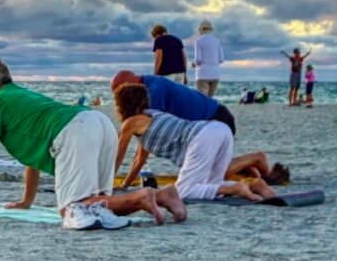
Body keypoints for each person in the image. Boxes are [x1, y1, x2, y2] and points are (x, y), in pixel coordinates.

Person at [0, 60, 187, 229]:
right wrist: (26, 201)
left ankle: (142, 197)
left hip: (76, 130)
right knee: (96, 205)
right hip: (98, 122)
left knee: (72, 209)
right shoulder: (21, 96)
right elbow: (31, 159)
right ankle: (161, 196)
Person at [114, 83, 276, 202]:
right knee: (212, 185)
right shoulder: (152, 116)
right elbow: (139, 160)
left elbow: (118, 156)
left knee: (183, 191)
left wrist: (105, 184)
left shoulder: (131, 123)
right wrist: (125, 185)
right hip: (219, 129)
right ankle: (255, 185)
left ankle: (237, 188)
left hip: (202, 136)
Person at [110, 70, 236, 134]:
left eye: (120, 94)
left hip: (215, 118)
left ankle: (254, 159)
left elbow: (150, 128)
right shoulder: (149, 82)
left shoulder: (155, 91)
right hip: (212, 118)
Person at [192, 20, 224, 97]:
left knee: (203, 99)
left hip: (202, 75)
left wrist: (193, 64)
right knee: (210, 99)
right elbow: (221, 59)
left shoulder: (198, 41)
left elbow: (198, 60)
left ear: (201, 29)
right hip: (215, 75)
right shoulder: (217, 41)